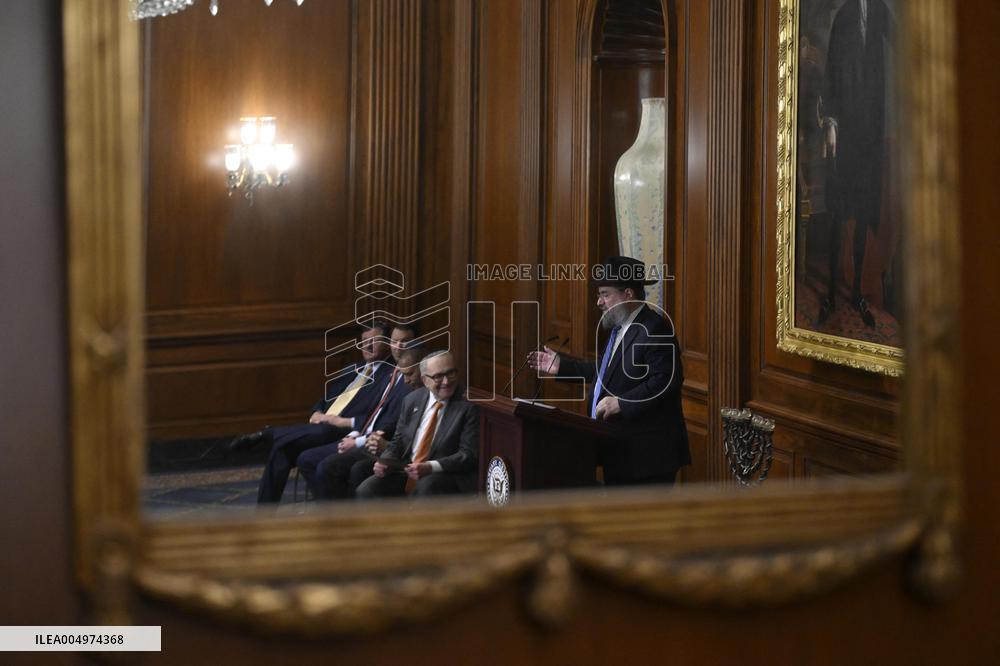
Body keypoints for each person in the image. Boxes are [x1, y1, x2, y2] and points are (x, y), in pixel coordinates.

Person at [528, 256, 689, 485]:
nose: (599, 302)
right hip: (623, 451)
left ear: (628, 294)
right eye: (598, 295)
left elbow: (667, 380)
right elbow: (609, 372)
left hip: (648, 458)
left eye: (605, 294)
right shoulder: (622, 327)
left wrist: (621, 402)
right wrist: (562, 367)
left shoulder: (655, 328)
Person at [228, 321, 395, 504]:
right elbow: (324, 401)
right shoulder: (353, 369)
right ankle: (265, 513)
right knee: (283, 449)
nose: (368, 346)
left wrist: (342, 422)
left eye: (374, 341)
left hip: (349, 432)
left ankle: (269, 434)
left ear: (387, 343)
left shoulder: (391, 374)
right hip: (322, 427)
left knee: (319, 432)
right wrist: (316, 413)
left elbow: (381, 415)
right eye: (364, 341)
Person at [818, 0, 893, 327]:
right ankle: (831, 293)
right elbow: (831, 72)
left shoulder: (879, 11)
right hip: (845, 130)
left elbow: (905, 44)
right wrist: (831, 124)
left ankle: (858, 291)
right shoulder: (844, 16)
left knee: (863, 211)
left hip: (870, 133)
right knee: (838, 213)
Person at [297, 342, 425, 499]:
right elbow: (373, 413)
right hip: (372, 440)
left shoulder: (412, 392)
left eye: (410, 374)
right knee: (310, 458)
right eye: (393, 341)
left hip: (394, 451)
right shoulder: (391, 378)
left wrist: (384, 452)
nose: (406, 380)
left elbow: (396, 430)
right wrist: (356, 435)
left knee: (345, 468)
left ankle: (347, 518)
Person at [355, 351, 479, 498]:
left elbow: (468, 455)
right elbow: (398, 441)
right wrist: (385, 461)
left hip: (444, 475)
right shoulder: (411, 400)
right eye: (438, 376)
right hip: (408, 469)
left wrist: (431, 467)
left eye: (450, 373)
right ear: (425, 380)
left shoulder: (469, 405)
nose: (446, 381)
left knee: (426, 486)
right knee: (366, 489)